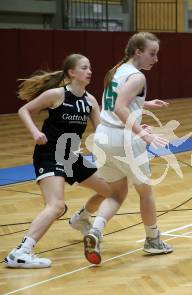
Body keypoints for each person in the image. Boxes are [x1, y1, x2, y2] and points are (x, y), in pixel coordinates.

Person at [4, 54, 113, 268]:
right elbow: (24, 110)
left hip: (71, 157)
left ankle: (81, 218)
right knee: (56, 206)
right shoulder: (56, 95)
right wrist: (35, 132)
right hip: (50, 155)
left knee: (111, 190)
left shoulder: (90, 101)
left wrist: (128, 134)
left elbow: (101, 131)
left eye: (90, 67)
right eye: (84, 67)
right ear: (72, 72)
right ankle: (21, 252)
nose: (89, 71)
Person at [77, 32, 172, 265]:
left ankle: (96, 231)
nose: (156, 59)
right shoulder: (137, 77)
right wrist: (143, 134)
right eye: (152, 53)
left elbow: (116, 102)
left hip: (102, 137)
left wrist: (144, 104)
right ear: (138, 52)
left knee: (117, 193)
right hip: (125, 138)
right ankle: (153, 240)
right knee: (145, 192)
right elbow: (121, 107)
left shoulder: (117, 69)